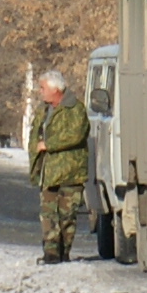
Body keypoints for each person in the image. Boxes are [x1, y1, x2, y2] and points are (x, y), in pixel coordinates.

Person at [26, 72, 92, 262]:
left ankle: (64, 252)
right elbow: (35, 136)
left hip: (70, 172)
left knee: (67, 215)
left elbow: (76, 135)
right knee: (48, 214)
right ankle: (51, 253)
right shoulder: (43, 110)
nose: (40, 92)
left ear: (56, 89)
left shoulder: (75, 109)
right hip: (48, 172)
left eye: (43, 88)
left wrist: (49, 144)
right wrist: (35, 156)